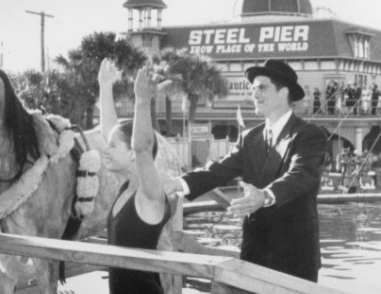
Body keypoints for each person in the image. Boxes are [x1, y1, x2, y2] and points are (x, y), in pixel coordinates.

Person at [175, 59, 327, 282]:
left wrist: (264, 196)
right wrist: (177, 183)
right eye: (253, 88)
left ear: (283, 92)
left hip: (294, 260)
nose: (254, 94)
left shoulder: (309, 134)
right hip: (254, 255)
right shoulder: (250, 138)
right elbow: (218, 170)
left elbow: (301, 174)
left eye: (262, 87)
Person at [98, 59, 172, 294]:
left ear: (131, 154)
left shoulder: (149, 195)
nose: (105, 150)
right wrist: (105, 86)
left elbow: (142, 147)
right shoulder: (126, 187)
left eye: (112, 146)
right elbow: (111, 131)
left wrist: (142, 101)